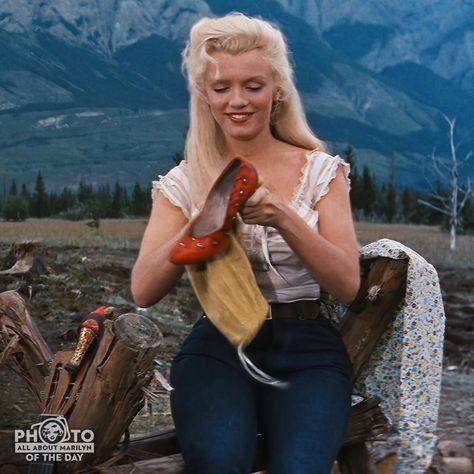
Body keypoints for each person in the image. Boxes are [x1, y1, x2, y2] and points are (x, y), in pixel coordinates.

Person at [131, 12, 360, 474]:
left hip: (308, 348)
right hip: (219, 344)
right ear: (205, 96)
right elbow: (143, 291)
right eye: (222, 88)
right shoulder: (183, 182)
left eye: (253, 86)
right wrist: (199, 224)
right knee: (217, 461)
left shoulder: (320, 172)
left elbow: (348, 284)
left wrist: (282, 216)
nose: (238, 100)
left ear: (276, 90)